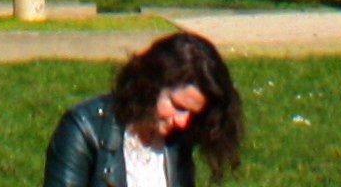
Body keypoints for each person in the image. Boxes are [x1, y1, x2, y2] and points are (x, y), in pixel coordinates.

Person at [47, 33, 243, 187]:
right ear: (151, 86)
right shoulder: (83, 130)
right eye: (177, 107)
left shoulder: (178, 142)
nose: (183, 122)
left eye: (193, 113)